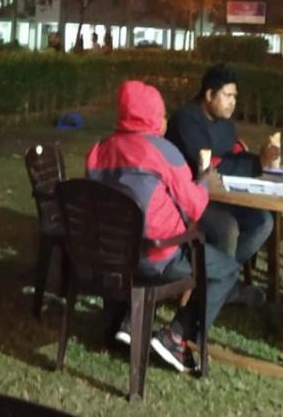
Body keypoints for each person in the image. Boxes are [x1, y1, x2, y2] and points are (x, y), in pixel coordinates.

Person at [86, 80, 241, 373]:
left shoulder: (100, 149)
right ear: (152, 118)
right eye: (161, 114)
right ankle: (175, 337)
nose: (165, 120)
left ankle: (129, 321)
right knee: (226, 270)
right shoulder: (164, 152)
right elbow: (195, 206)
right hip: (154, 257)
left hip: (107, 255)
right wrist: (204, 184)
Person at [165, 63, 277, 306]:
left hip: (221, 196)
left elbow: (231, 156)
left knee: (263, 221)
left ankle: (222, 280)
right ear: (209, 95)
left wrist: (258, 159)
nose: (233, 102)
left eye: (235, 96)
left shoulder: (225, 124)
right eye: (227, 95)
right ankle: (221, 287)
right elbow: (210, 167)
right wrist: (256, 163)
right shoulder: (187, 120)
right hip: (187, 200)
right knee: (227, 227)